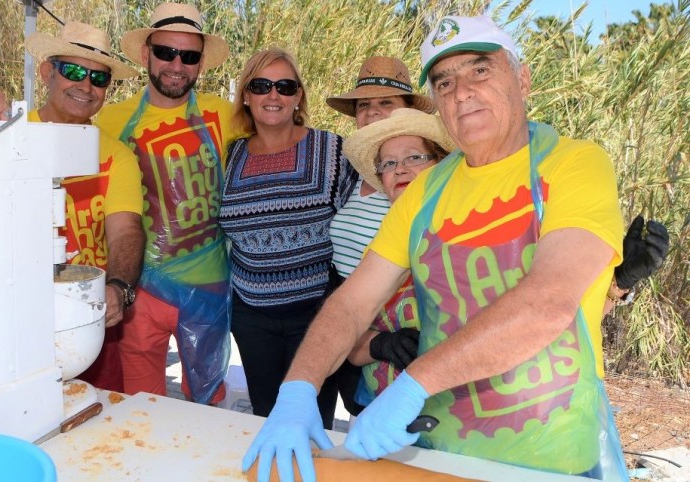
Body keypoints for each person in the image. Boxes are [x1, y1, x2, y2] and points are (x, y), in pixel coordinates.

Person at [244, 15, 632, 482]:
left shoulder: (573, 163)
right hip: (435, 450)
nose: (461, 91)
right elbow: (352, 302)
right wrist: (298, 390)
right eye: (444, 81)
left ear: (522, 78)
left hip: (552, 456)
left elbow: (547, 304)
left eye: (480, 70)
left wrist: (411, 386)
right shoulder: (426, 192)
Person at [0, 22, 145, 392]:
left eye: (98, 79)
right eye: (73, 71)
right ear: (46, 73)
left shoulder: (117, 155)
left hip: (87, 320)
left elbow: (126, 230)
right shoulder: (6, 134)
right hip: (13, 320)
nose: (85, 86)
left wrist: (119, 287)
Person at [93, 2, 239, 404]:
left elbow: (278, 134)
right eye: (165, 52)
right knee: (142, 405)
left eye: (189, 56)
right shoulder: (108, 121)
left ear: (201, 63)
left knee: (210, 406)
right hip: (139, 290)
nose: (177, 64)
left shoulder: (226, 114)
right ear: (146, 54)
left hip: (209, 288)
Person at [219, 47, 358, 429]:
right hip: (252, 318)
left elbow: (363, 225)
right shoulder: (231, 155)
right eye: (262, 85)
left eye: (285, 86)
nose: (273, 95)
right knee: (265, 418)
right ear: (246, 96)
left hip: (316, 318)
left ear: (298, 96)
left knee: (312, 423)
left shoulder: (332, 149)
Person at [326, 56, 435, 417]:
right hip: (352, 313)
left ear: (407, 110)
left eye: (385, 103)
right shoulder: (357, 175)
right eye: (364, 105)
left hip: (403, 317)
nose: (372, 112)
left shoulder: (420, 182)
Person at [342, 108, 453, 408]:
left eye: (414, 157)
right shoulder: (376, 251)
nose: (400, 169)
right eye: (389, 163)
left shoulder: (467, 237)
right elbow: (349, 344)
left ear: (442, 164)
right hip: (380, 412)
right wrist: (382, 345)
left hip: (457, 419)